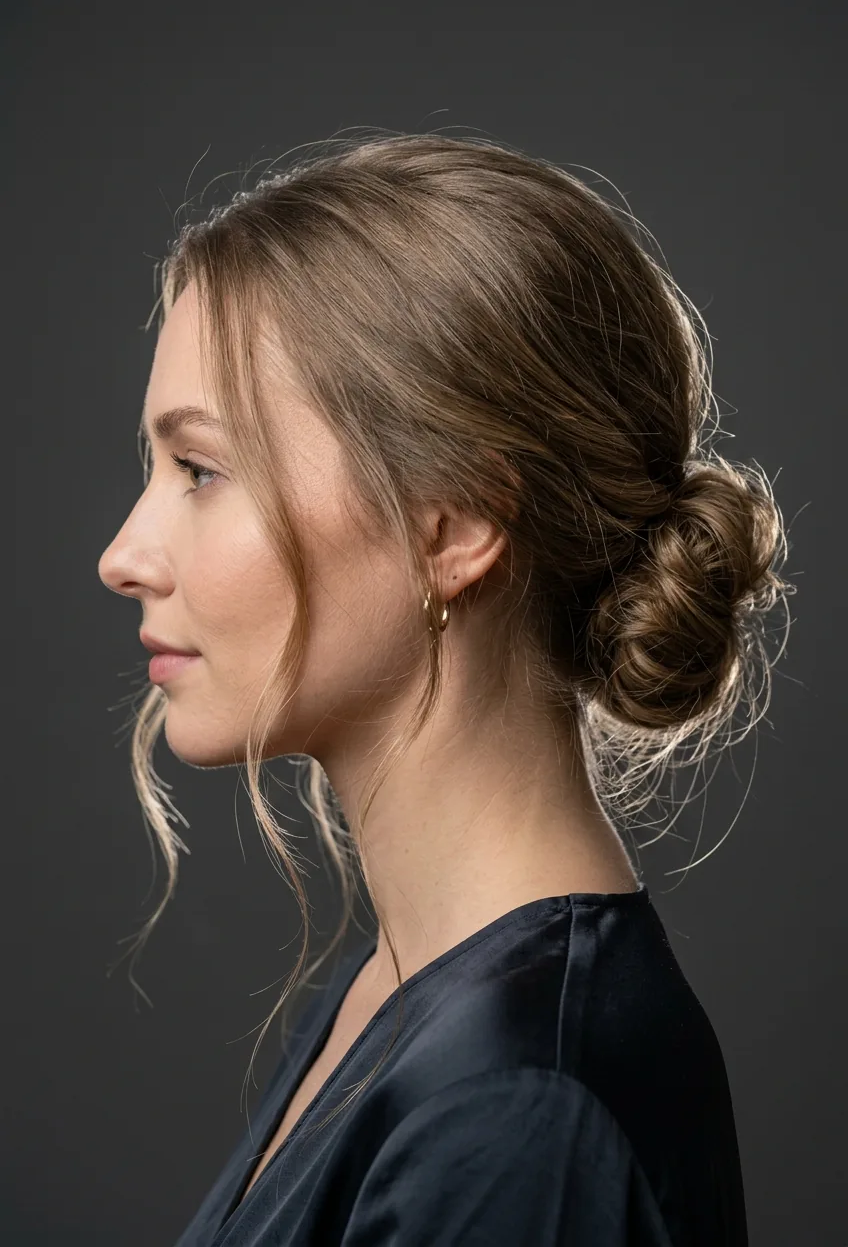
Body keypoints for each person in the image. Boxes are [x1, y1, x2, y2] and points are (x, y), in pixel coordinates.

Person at [98, 131, 790, 1245]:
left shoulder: (516, 1112)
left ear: (453, 526)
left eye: (202, 470)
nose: (123, 555)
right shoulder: (409, 990)